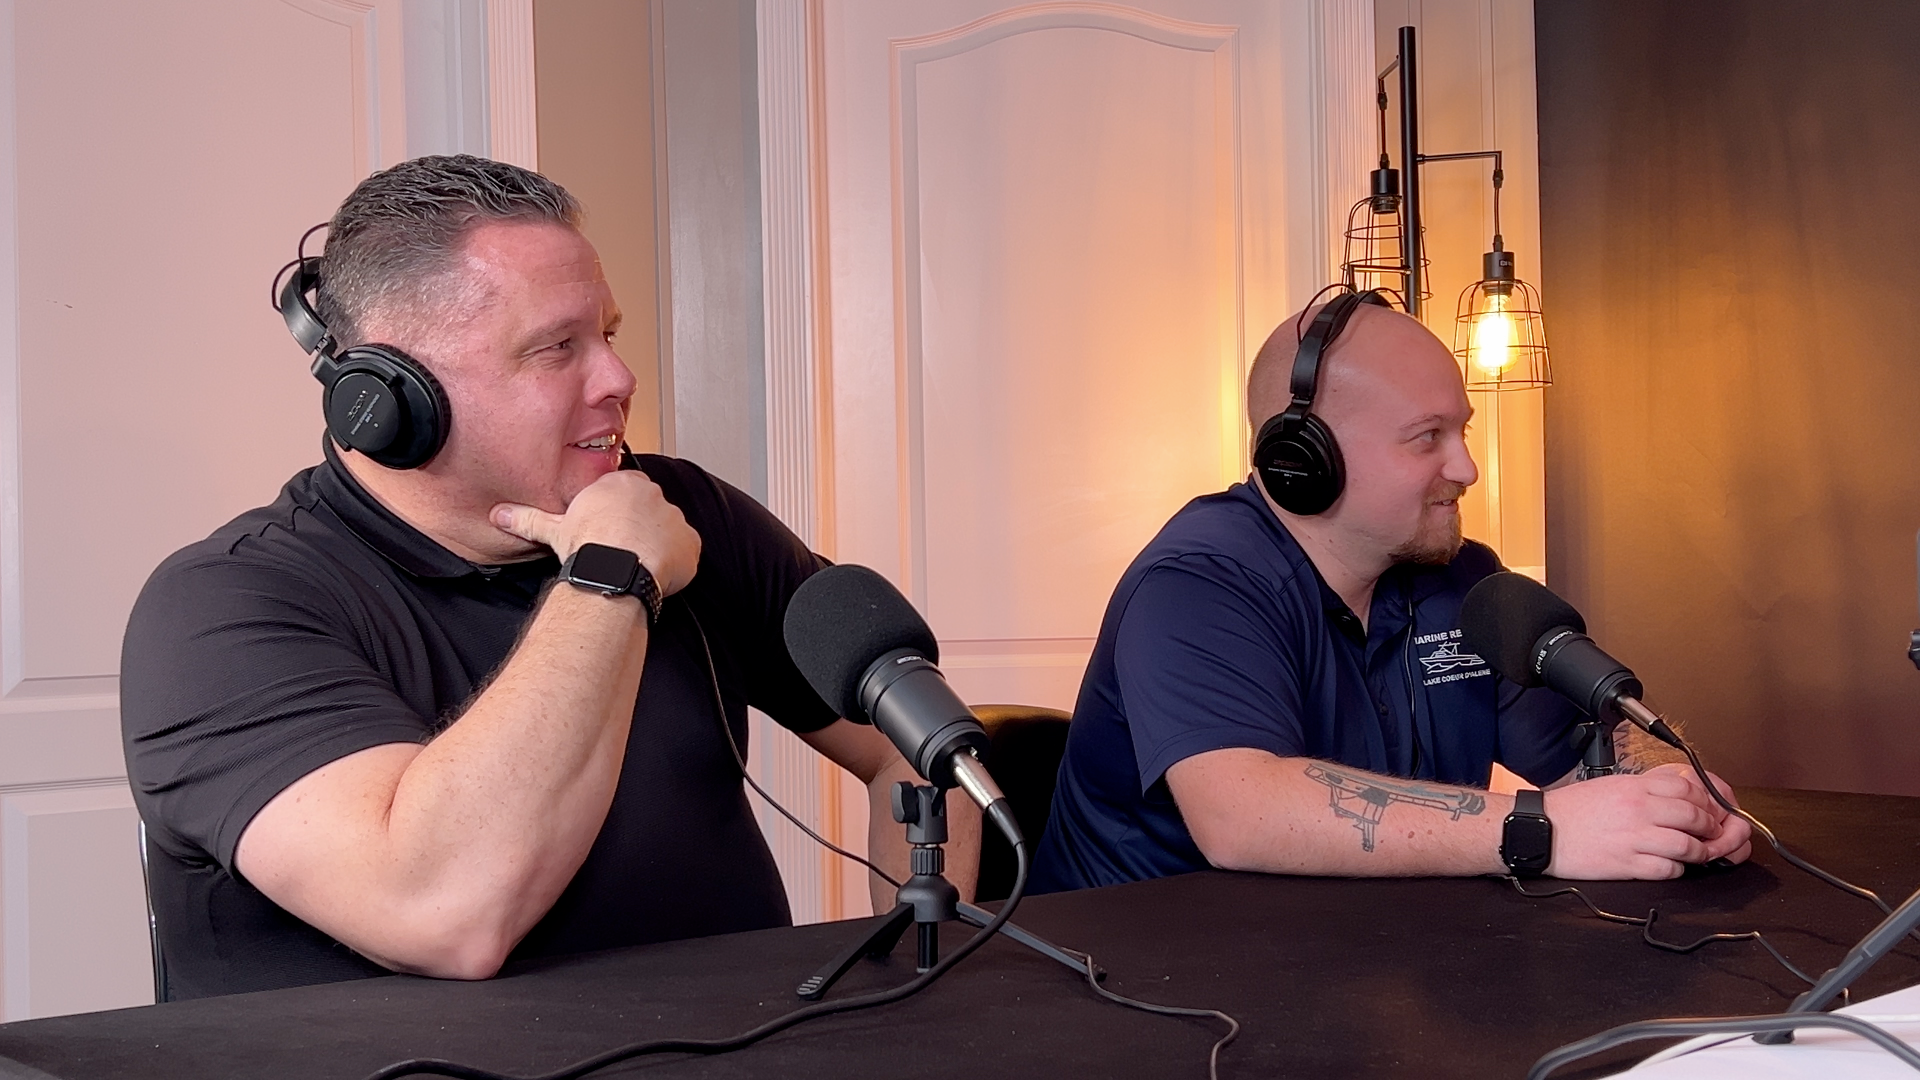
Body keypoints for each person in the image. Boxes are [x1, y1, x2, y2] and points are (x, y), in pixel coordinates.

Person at [120, 155, 975, 1000]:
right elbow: (445, 917)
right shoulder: (219, 611)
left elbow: (919, 751)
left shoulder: (679, 511)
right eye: (556, 347)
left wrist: (916, 999)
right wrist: (615, 577)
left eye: (606, 335)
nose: (619, 379)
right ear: (384, 393)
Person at [1032, 291, 1750, 893]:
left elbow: (1581, 762)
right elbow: (1240, 813)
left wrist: (1671, 799)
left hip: (1362, 974)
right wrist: (1540, 828)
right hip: (1147, 990)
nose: (1467, 467)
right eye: (1426, 437)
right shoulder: (1195, 585)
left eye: (1460, 431)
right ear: (1301, 460)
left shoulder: (1464, 583)